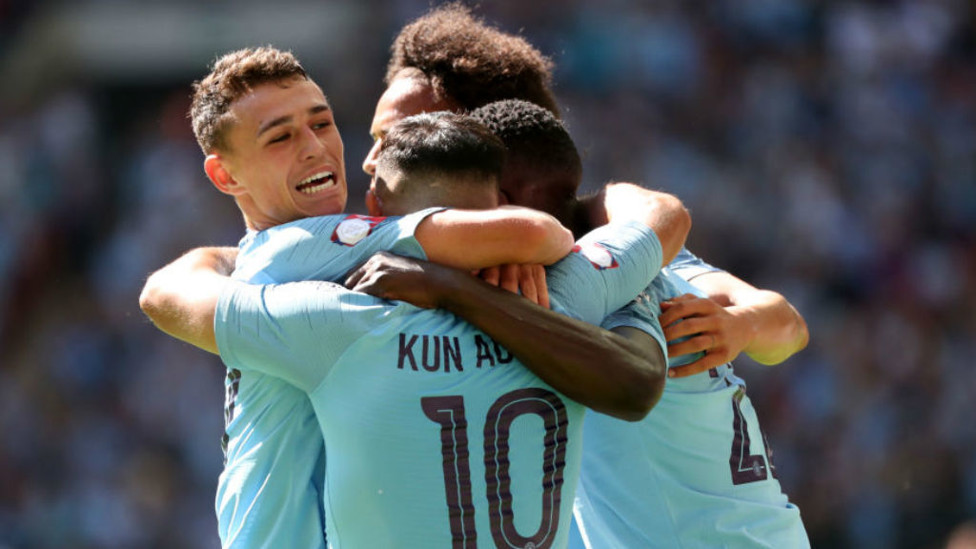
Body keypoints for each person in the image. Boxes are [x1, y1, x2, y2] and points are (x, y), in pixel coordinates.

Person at [141, 46, 692, 547]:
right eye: (280, 137)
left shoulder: (332, 318)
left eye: (322, 123)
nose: (316, 147)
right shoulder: (557, 293)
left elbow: (161, 293)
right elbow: (586, 228)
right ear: (223, 175)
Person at [364, 3, 808, 374]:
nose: (371, 160)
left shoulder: (612, 238)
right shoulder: (393, 267)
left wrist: (742, 326)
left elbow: (787, 326)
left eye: (397, 139)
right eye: (376, 139)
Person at [466, 99, 809, 547]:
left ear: (500, 200)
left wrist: (741, 324)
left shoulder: (591, 279)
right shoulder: (646, 250)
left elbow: (791, 327)